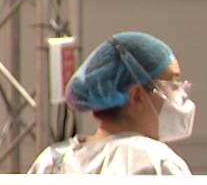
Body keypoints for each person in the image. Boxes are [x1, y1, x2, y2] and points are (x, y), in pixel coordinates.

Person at [29, 31, 195, 175]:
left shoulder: (53, 161)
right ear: (137, 95)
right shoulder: (156, 162)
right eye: (173, 85)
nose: (181, 94)